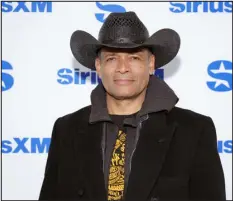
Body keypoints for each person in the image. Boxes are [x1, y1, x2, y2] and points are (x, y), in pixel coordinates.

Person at [39, 12, 226, 201]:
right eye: (112, 58)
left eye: (134, 58)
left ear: (151, 64)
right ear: (98, 65)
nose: (122, 67)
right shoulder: (66, 129)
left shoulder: (194, 130)